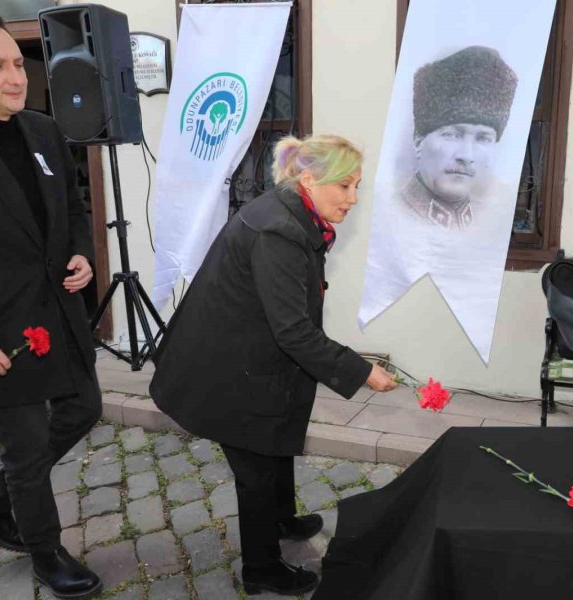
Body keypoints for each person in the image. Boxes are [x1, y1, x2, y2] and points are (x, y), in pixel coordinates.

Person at [150, 134, 398, 596]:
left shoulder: (293, 212)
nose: (353, 198)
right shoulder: (278, 230)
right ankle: (261, 568)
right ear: (308, 179)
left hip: (248, 351)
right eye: (344, 186)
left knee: (275, 441)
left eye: (357, 186)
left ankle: (281, 520)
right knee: (257, 465)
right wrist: (362, 371)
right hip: (224, 365)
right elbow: (293, 331)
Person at [0, 7, 102, 598]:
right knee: (27, 448)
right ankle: (46, 553)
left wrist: (82, 252)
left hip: (58, 312)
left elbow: (74, 208)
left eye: (17, 61)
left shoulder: (43, 130)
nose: (17, 75)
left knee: (84, 408)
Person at [398, 45, 518, 231]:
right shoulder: (391, 218)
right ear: (419, 140)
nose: (467, 155)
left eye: (483, 138)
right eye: (453, 135)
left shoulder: (489, 226)